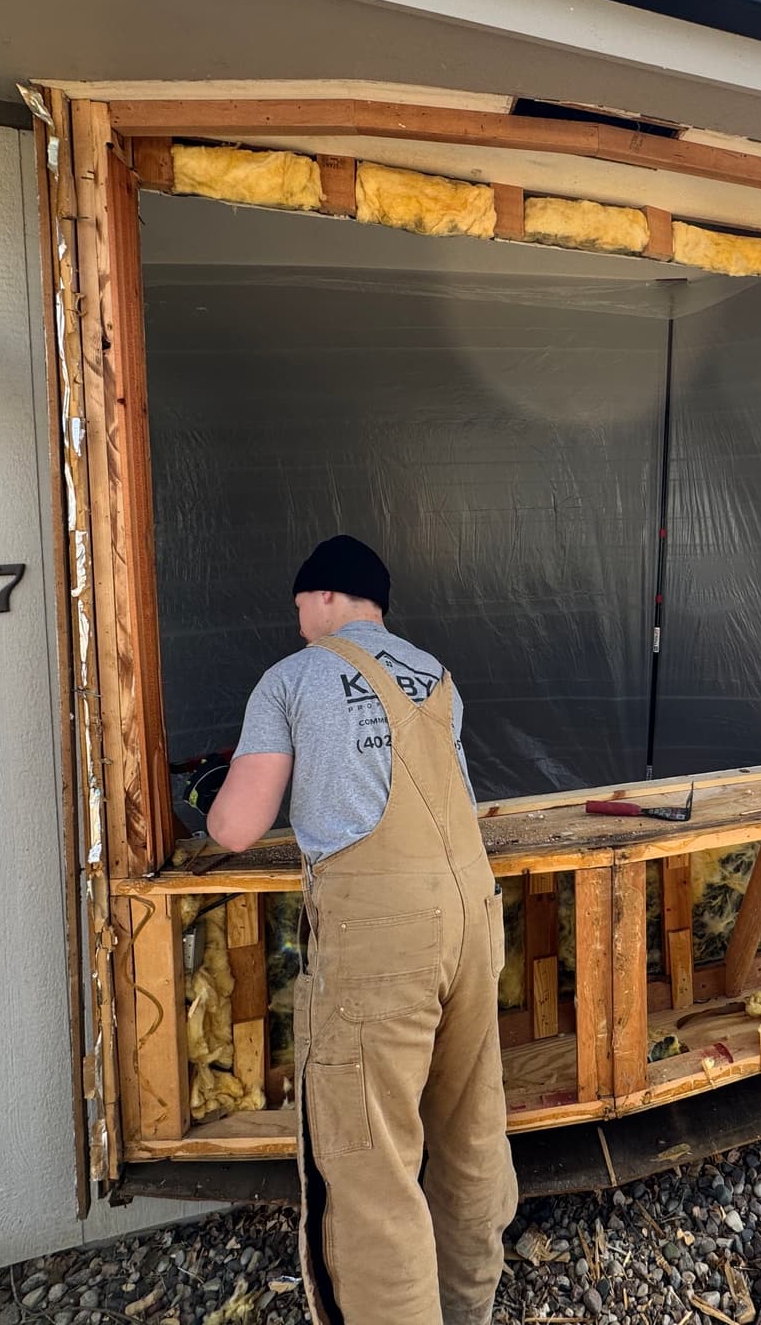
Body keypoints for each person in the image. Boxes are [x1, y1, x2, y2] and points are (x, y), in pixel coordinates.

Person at [206, 534, 517, 1325]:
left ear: (324, 598)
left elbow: (238, 827)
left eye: (301, 603)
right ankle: (468, 1306)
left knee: (372, 1163)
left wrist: (220, 787)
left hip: (383, 936)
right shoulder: (434, 673)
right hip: (473, 918)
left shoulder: (292, 678)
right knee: (469, 1128)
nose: (298, 616)